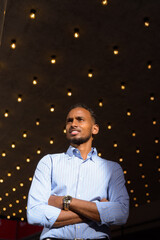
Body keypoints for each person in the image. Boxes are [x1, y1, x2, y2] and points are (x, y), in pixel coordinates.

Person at [27, 104, 129, 240]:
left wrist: (66, 201)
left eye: (80, 119)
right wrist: (99, 210)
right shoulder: (49, 162)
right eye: (69, 120)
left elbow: (121, 213)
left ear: (95, 129)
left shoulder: (112, 168)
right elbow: (34, 214)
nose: (73, 124)